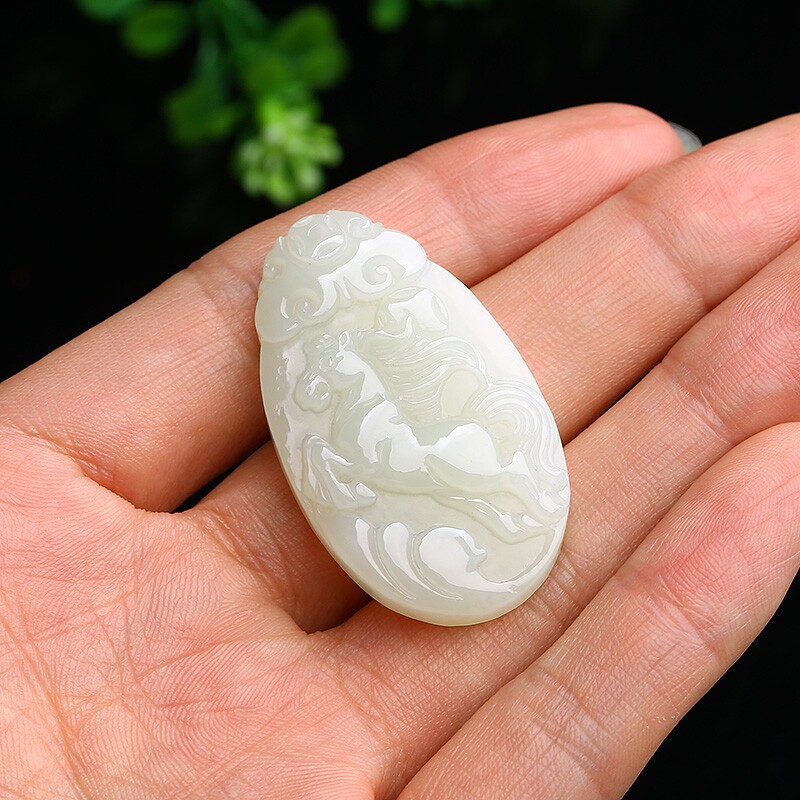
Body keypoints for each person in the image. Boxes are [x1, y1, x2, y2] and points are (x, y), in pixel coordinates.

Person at [0, 103, 798, 798]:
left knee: (455, 464)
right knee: (439, 467)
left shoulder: (388, 332)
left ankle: (491, 497)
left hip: (419, 449)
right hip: (394, 457)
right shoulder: (322, 362)